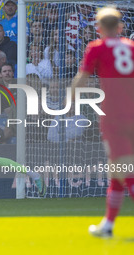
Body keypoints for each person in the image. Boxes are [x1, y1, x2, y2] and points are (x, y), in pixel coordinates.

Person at [71, 7, 134, 238]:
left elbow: (82, 78)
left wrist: (70, 101)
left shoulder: (96, 48)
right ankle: (108, 224)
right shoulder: (131, 46)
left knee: (125, 170)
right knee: (116, 170)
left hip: (115, 117)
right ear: (120, 26)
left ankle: (107, 224)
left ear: (98, 28)